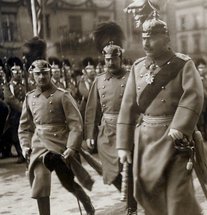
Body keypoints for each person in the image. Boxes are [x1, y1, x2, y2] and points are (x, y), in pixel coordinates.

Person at [116, 12, 204, 215]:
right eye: (144, 37)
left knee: (178, 197)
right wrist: (123, 145)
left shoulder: (183, 64)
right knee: (148, 193)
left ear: (166, 39)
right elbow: (128, 107)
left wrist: (180, 127)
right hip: (146, 141)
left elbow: (194, 96)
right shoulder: (138, 68)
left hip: (174, 140)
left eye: (152, 37)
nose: (146, 43)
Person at [18, 60, 95, 215]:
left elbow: (76, 124)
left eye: (44, 73)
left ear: (50, 73)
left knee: (67, 182)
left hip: (60, 144)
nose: (41, 77)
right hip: (39, 145)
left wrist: (72, 147)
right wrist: (25, 146)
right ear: (32, 76)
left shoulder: (62, 95)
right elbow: (24, 127)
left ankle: (85, 201)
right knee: (40, 183)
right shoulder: (30, 97)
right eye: (37, 74)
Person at [85, 21, 137, 215]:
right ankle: (128, 194)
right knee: (109, 170)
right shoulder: (98, 81)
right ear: (103, 59)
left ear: (120, 58)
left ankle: (131, 205)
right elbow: (92, 109)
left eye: (114, 59)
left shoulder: (131, 76)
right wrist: (89, 133)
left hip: (128, 128)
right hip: (106, 131)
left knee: (129, 168)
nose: (110, 62)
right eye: (107, 59)